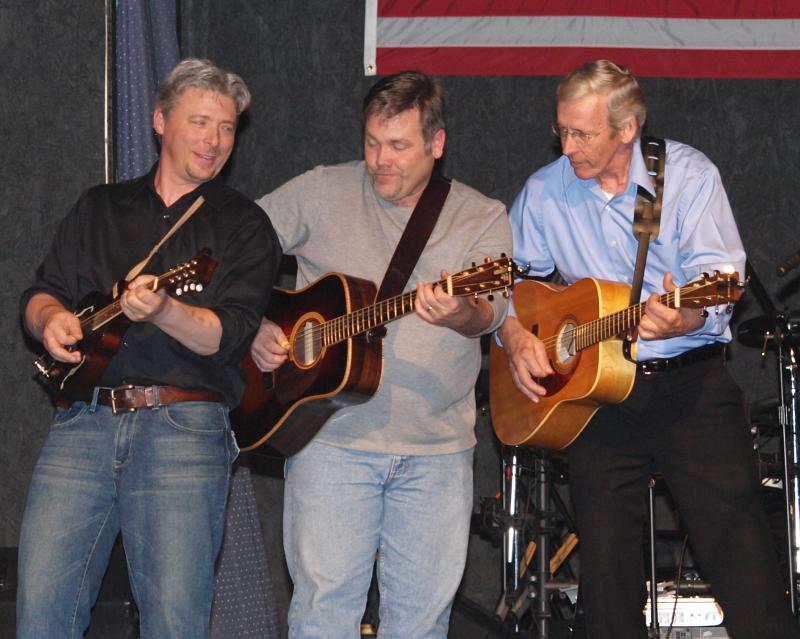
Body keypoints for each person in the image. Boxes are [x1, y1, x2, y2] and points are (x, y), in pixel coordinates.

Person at [497, 59, 799, 638]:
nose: (567, 147)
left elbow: (719, 280)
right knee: (606, 571)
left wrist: (686, 313)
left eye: (582, 133)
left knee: (738, 550)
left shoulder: (687, 177)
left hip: (689, 386)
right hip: (599, 398)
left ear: (627, 128)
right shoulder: (545, 191)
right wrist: (512, 336)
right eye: (562, 130)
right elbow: (502, 285)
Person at [17, 58, 281, 639]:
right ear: (161, 121)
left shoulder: (244, 225)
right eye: (200, 122)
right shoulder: (98, 207)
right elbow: (39, 294)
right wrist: (51, 319)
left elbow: (229, 334)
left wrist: (165, 310)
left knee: (174, 621)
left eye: (227, 127)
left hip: (182, 426)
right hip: (81, 421)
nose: (214, 140)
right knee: (40, 609)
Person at [250, 70, 512, 637]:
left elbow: (489, 312)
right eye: (371, 143)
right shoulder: (320, 191)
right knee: (323, 615)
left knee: (420, 625)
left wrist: (459, 312)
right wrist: (256, 322)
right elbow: (234, 245)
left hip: (437, 454)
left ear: (437, 144)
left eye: (398, 146)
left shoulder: (480, 216)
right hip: (330, 442)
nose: (380, 160)